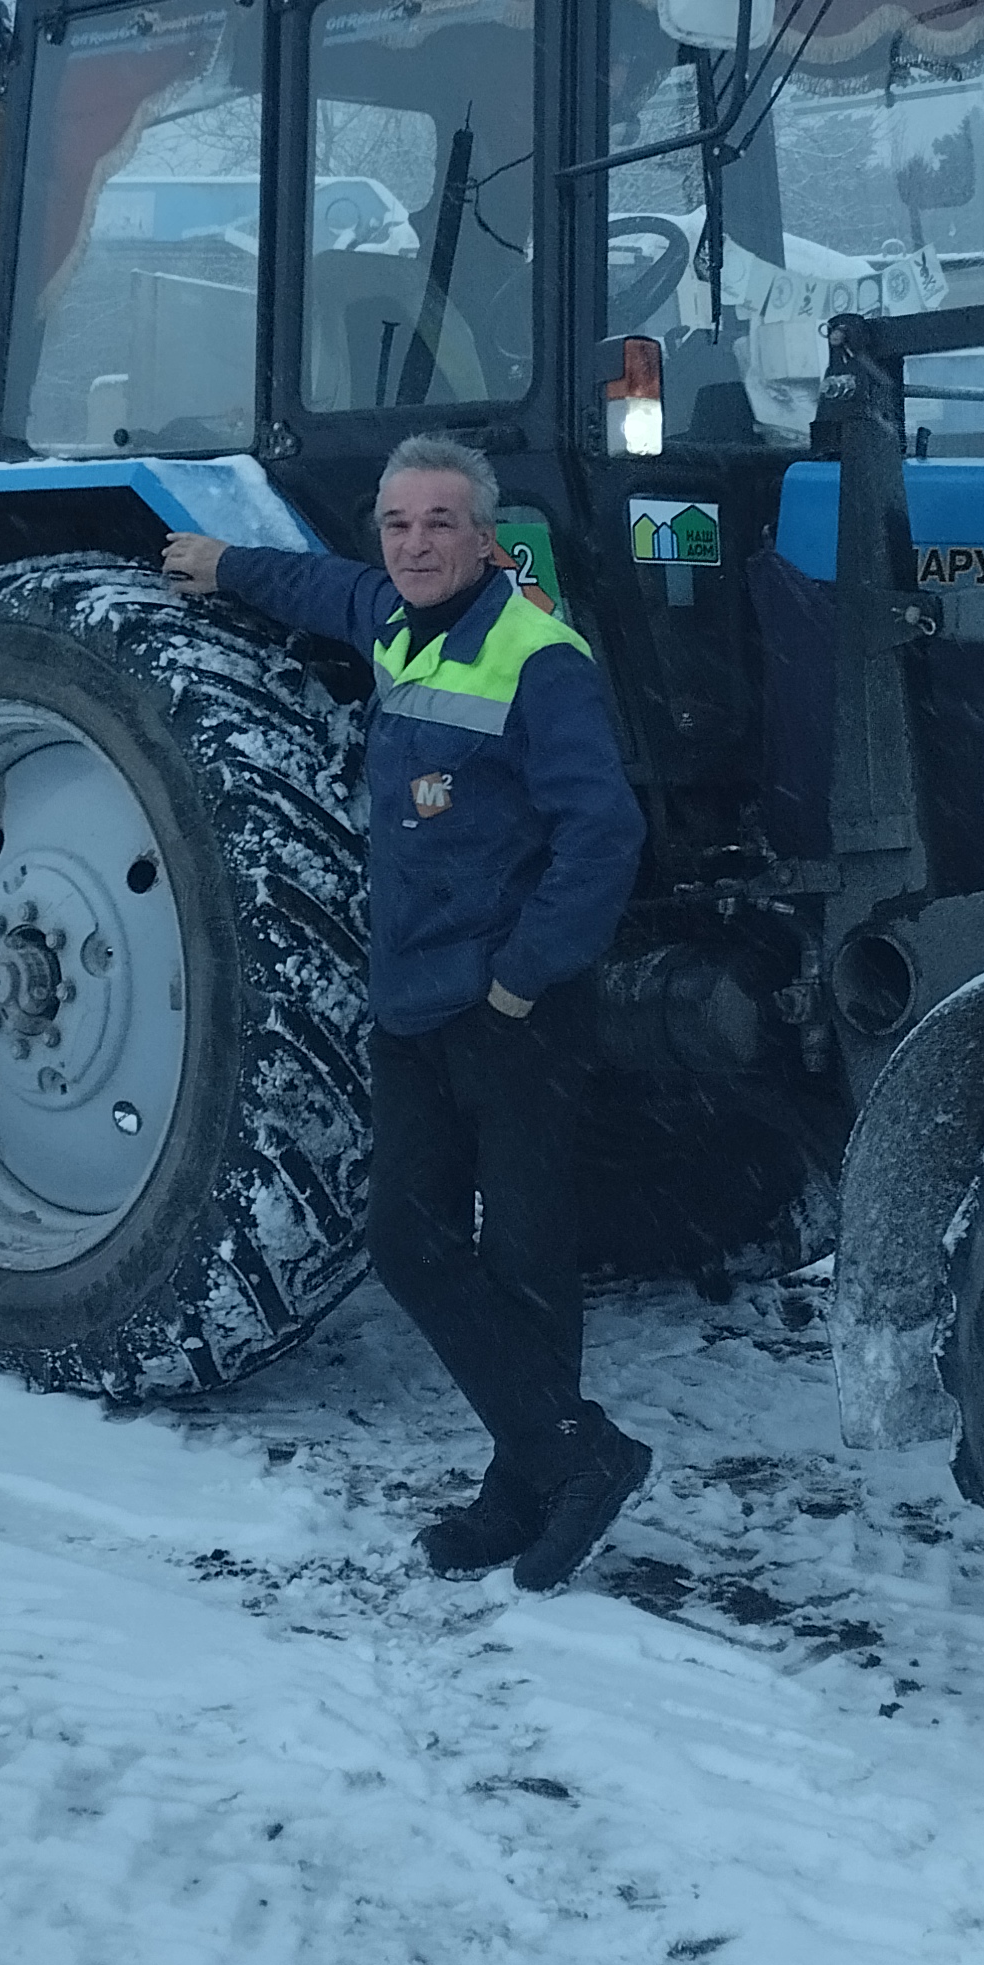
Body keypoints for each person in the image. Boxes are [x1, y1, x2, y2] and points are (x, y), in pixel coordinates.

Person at [165, 437, 652, 1589]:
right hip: (412, 998)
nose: (417, 544)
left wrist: (522, 976)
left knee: (527, 1259)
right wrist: (226, 562)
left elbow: (603, 834)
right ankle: (571, 1455)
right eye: (397, 523)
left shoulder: (540, 658)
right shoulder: (392, 614)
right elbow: (319, 588)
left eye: (440, 524)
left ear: (487, 538)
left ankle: (526, 1484)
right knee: (408, 1239)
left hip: (508, 1006)